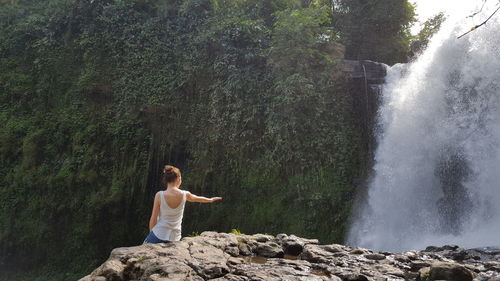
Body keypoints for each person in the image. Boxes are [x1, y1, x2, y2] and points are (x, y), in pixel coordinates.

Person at [143, 165, 222, 244]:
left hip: (159, 234)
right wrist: (210, 200)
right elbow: (197, 198)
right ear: (178, 179)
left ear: (166, 180)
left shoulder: (159, 195)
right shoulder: (185, 194)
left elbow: (154, 217)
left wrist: (151, 234)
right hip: (175, 237)